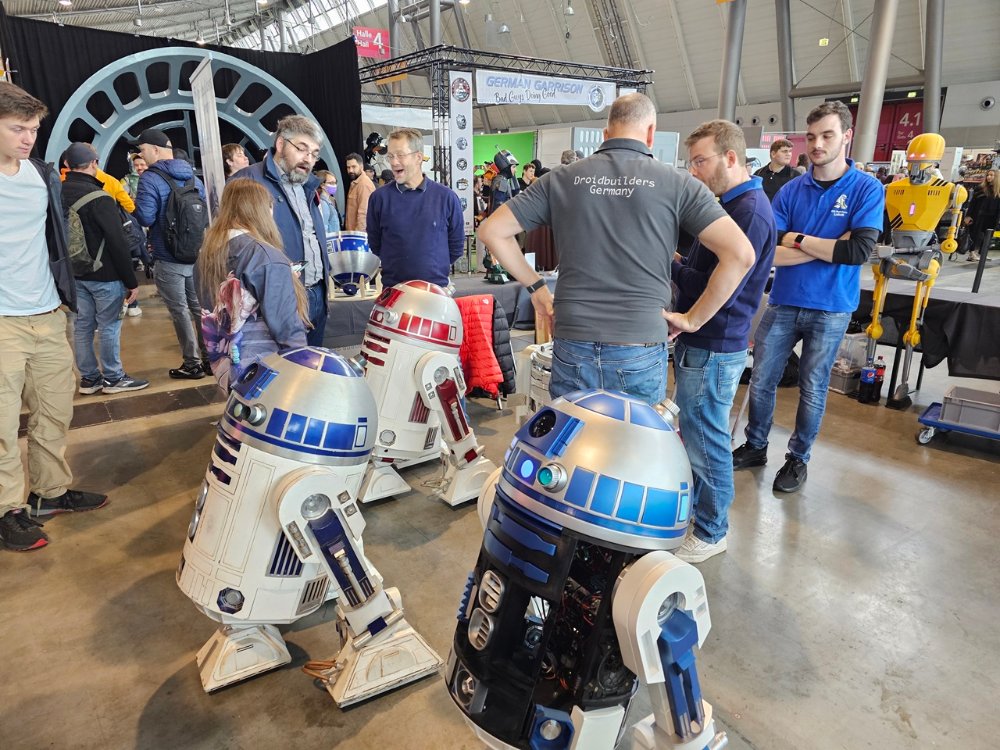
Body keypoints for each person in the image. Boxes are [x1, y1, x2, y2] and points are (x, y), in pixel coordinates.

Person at [478, 93, 755, 406]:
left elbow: (491, 231)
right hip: (640, 341)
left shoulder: (561, 179)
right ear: (651, 133)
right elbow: (740, 255)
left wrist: (538, 290)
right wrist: (693, 320)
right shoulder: (678, 184)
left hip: (573, 337)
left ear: (605, 133)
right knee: (633, 436)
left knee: (573, 434)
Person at [732, 100, 885, 493]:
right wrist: (827, 246)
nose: (817, 144)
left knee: (813, 388)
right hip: (784, 300)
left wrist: (796, 239)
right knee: (761, 380)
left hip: (831, 307)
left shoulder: (866, 189)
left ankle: (797, 459)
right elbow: (769, 251)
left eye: (827, 136)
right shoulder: (790, 190)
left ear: (846, 136)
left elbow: (857, 252)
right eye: (812, 136)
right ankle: (755, 445)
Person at [0, 82, 107, 553]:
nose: (28, 138)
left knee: (55, 411)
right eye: (17, 128)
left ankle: (49, 492)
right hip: (2, 321)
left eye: (33, 129)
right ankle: (6, 511)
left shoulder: (42, 174)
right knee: (2, 425)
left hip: (46, 313)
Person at [670, 120, 777, 564]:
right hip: (708, 339)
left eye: (701, 161)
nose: (694, 171)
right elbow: (705, 273)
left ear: (731, 157)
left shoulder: (747, 211)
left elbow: (719, 285)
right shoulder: (731, 205)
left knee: (706, 438)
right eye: (691, 162)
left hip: (715, 342)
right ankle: (703, 518)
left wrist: (672, 267)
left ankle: (713, 530)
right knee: (698, 432)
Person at [195, 180, 309, 390]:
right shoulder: (265, 256)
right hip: (269, 374)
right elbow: (287, 328)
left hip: (226, 369)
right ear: (264, 210)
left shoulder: (207, 255)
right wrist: (304, 368)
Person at [230, 114, 331, 346]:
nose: (308, 159)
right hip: (277, 299)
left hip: (317, 292)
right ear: (280, 143)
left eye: (315, 153)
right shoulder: (247, 182)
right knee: (286, 364)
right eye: (302, 149)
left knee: (313, 363)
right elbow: (232, 245)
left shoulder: (308, 185)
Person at [61, 142, 149, 395]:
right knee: (109, 326)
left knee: (82, 326)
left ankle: (89, 379)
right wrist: (131, 281)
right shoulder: (100, 198)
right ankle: (113, 377)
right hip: (105, 274)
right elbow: (117, 244)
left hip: (74, 273)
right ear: (94, 164)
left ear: (67, 165)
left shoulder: (56, 193)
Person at [133, 127, 211, 379]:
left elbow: (146, 216)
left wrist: (133, 206)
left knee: (179, 311)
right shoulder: (193, 177)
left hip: (168, 257)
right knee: (198, 308)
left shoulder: (150, 178)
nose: (141, 156)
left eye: (143, 150)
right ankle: (210, 359)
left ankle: (192, 364)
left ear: (155, 150)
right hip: (195, 255)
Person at [367, 128, 464, 289]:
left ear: (418, 157)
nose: (393, 162)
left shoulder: (446, 197)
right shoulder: (379, 199)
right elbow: (375, 243)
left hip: (436, 293)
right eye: (390, 156)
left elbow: (456, 246)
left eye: (400, 155)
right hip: (394, 293)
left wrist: (433, 271)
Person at [964, 169, 999, 262]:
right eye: (988, 175)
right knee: (975, 234)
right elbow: (972, 203)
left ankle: (982, 254)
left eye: (991, 175)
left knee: (988, 236)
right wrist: (968, 215)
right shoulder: (980, 188)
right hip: (978, 215)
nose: (989, 177)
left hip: (992, 217)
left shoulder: (998, 190)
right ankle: (972, 253)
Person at [755, 138, 798, 202]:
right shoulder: (758, 174)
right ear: (773, 154)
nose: (788, 154)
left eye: (790, 151)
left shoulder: (796, 177)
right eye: (785, 151)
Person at [344, 152, 375, 232]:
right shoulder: (355, 183)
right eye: (348, 167)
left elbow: (364, 214)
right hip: (352, 233)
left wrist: (358, 237)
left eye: (354, 167)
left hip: (358, 235)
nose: (350, 170)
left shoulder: (364, 184)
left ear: (361, 167)